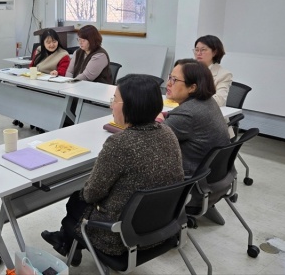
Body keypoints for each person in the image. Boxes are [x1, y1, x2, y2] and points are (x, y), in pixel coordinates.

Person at [41, 74, 183, 266]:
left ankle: (66, 241)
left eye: (114, 99)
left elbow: (92, 194)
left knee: (76, 201)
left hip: (120, 238)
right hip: (160, 228)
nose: (111, 105)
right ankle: (66, 242)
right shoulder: (168, 132)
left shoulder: (120, 143)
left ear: (130, 105)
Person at [158, 59, 230, 176]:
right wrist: (164, 115)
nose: (168, 83)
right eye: (169, 77)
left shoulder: (187, 114)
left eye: (174, 80)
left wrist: (158, 118)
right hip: (211, 171)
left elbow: (151, 139)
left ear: (192, 87)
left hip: (189, 176)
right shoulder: (207, 101)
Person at [194, 35, 232, 107]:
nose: (198, 53)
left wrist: (193, 102)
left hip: (210, 113)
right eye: (196, 50)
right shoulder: (189, 69)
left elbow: (219, 100)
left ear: (214, 52)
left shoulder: (224, 74)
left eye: (203, 50)